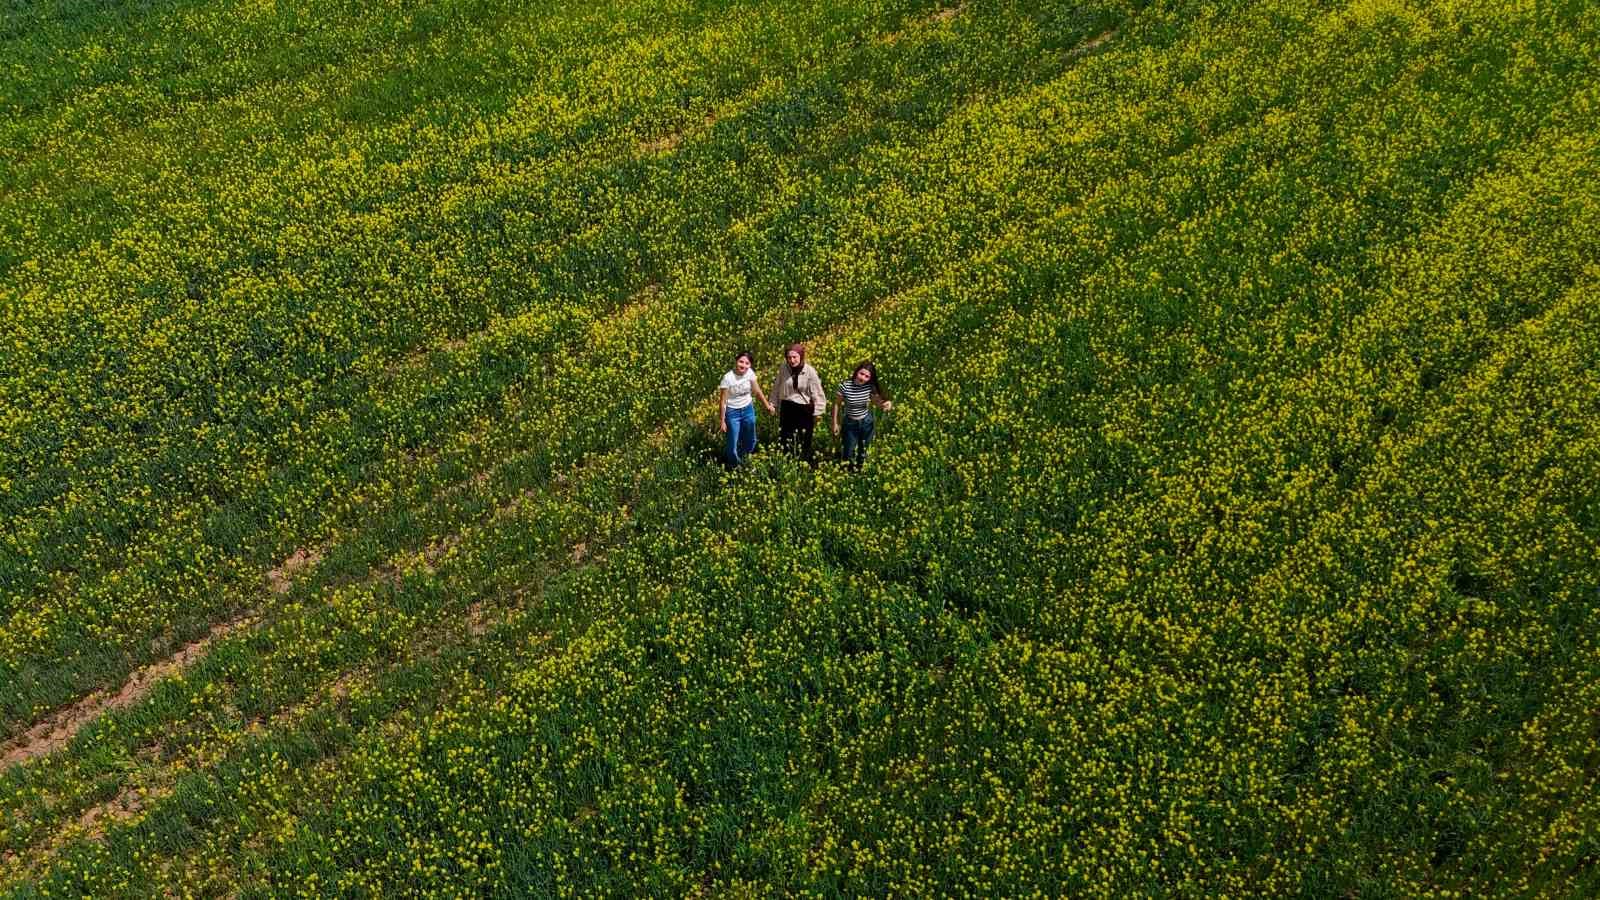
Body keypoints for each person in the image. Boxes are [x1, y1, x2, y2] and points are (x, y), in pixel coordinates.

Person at [771, 342, 827, 464]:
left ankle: (803, 463)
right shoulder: (783, 368)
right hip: (787, 407)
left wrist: (818, 413)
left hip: (804, 409)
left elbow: (817, 392)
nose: (792, 360)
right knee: (785, 437)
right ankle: (787, 463)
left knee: (804, 438)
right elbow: (777, 386)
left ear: (801, 356)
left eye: (795, 357)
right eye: (789, 357)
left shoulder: (809, 371)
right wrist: (773, 403)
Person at [832, 361, 892, 471]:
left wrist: (885, 404)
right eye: (861, 374)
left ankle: (860, 470)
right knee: (848, 452)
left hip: (866, 423)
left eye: (867, 376)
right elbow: (837, 404)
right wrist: (835, 423)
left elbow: (876, 402)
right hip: (850, 424)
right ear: (856, 372)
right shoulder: (845, 386)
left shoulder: (868, 387)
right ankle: (848, 473)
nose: (863, 378)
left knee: (863, 450)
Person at [718, 350, 773, 468]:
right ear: (736, 361)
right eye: (741, 362)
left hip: (748, 409)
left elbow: (757, 391)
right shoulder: (728, 378)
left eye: (747, 363)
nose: (743, 365)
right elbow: (723, 401)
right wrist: (722, 421)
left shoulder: (750, 373)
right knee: (732, 443)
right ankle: (734, 466)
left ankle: (744, 459)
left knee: (751, 439)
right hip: (732, 412)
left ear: (750, 365)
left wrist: (767, 405)